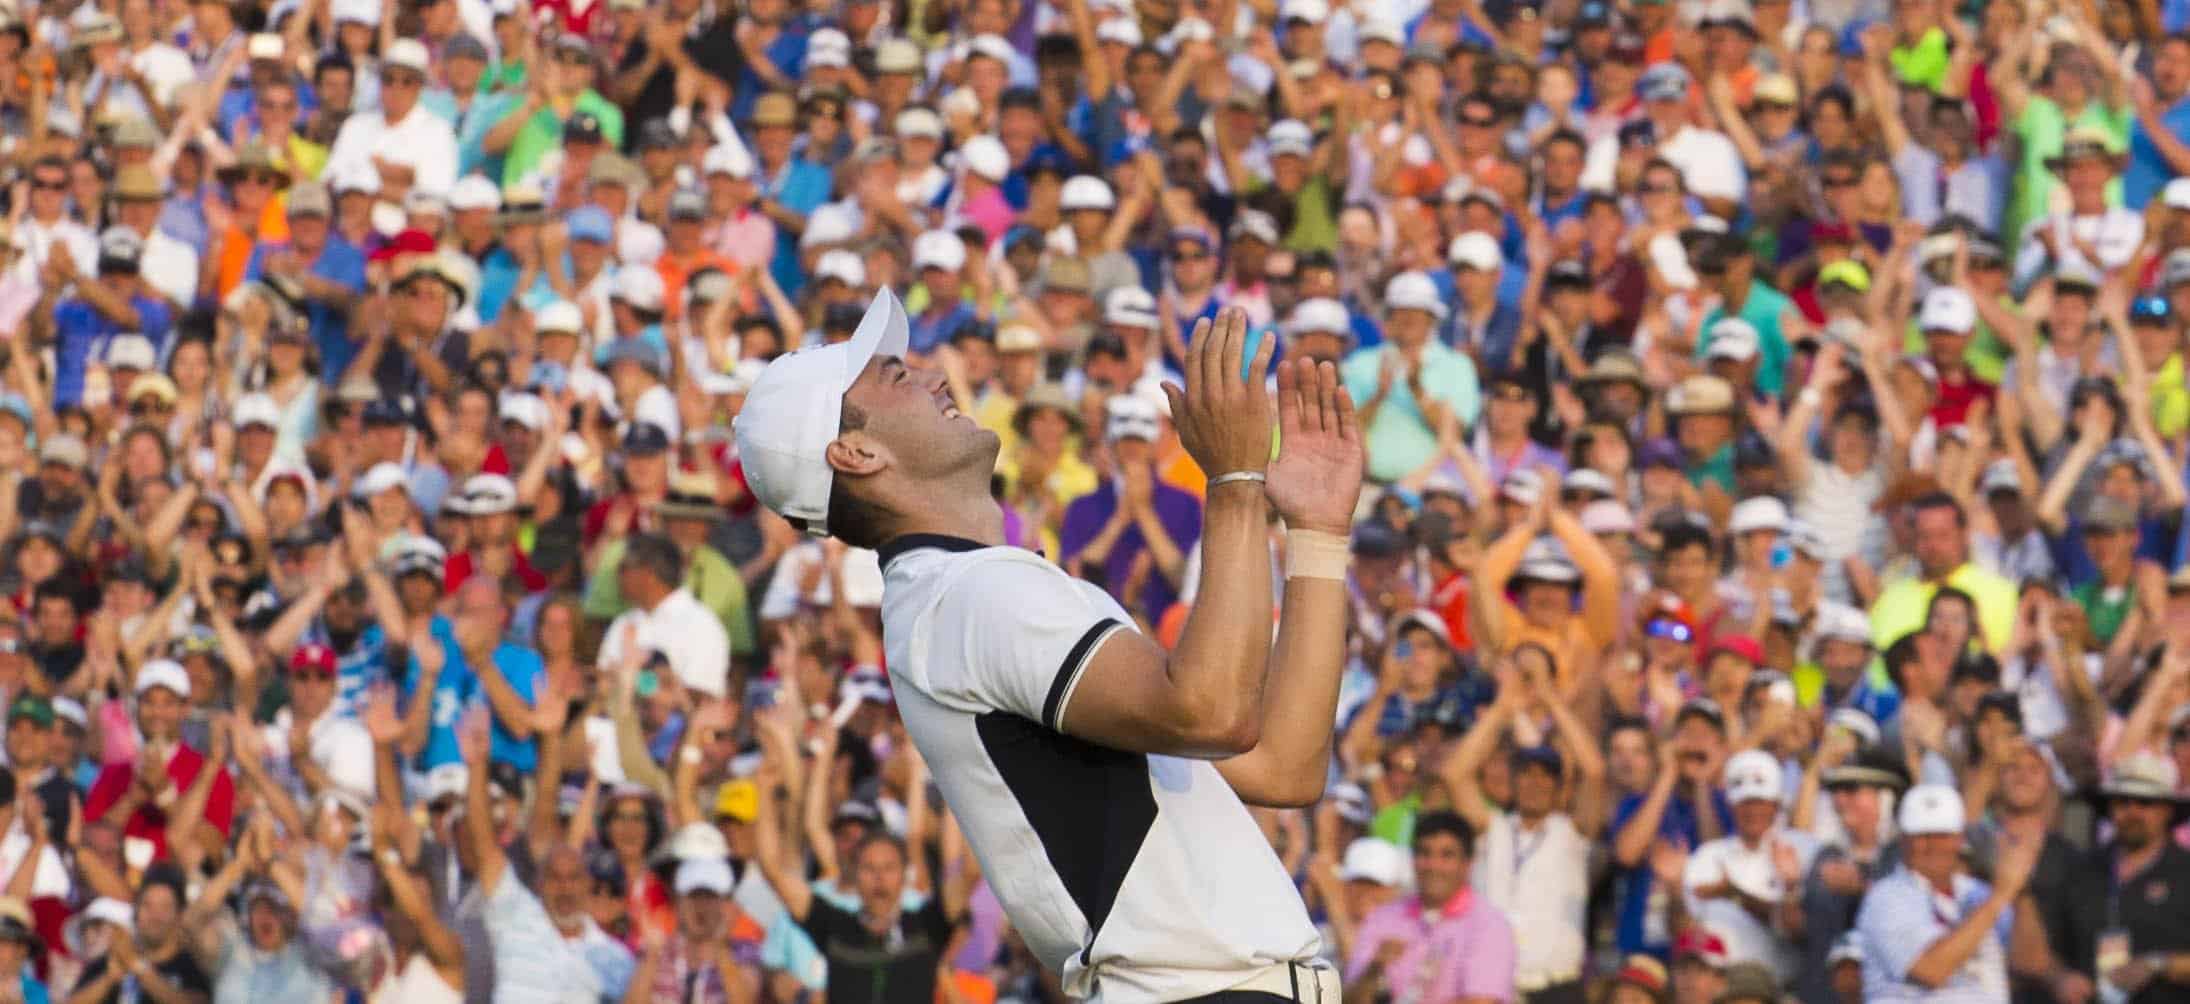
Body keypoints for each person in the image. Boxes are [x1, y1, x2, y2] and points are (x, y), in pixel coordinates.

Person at [735, 295, 1363, 999]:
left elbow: (1282, 768)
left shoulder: (957, 594)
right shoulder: (966, 595)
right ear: (856, 453)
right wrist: (1235, 479)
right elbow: (1213, 711)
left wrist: (1317, 533)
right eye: (895, 375)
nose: (934, 376)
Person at [1853, 784, 2046, 1001]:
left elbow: (2032, 965)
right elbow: (1931, 970)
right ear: (1903, 839)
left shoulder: (1978, 892)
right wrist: (2002, 894)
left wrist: (2021, 892)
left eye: (1942, 835)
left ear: (1959, 838)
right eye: (1922, 835)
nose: (1932, 845)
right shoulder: (1885, 898)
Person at [1343, 811, 1516, 1004]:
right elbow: (1348, 1000)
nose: (1433, 865)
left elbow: (1481, 1002)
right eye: (1425, 853)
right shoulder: (1384, 918)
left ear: (1467, 864)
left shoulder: (1489, 924)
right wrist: (1373, 970)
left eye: (1446, 855)